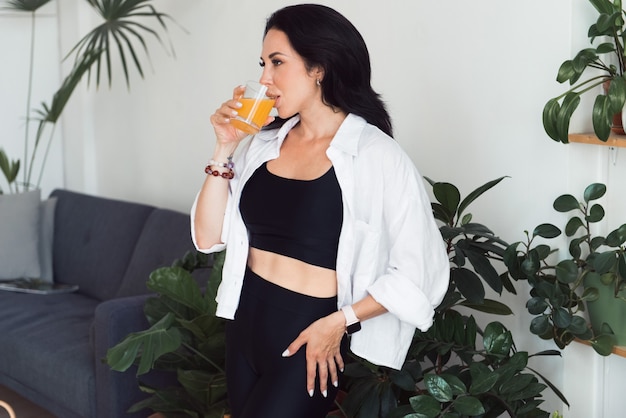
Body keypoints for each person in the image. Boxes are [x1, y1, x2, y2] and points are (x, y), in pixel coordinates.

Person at [191, 4, 449, 418]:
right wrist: (225, 146)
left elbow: (421, 272)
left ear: (319, 68)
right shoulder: (261, 146)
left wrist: (339, 322)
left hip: (310, 333)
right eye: (263, 63)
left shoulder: (375, 155)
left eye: (277, 62)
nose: (264, 79)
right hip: (245, 323)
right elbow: (207, 237)